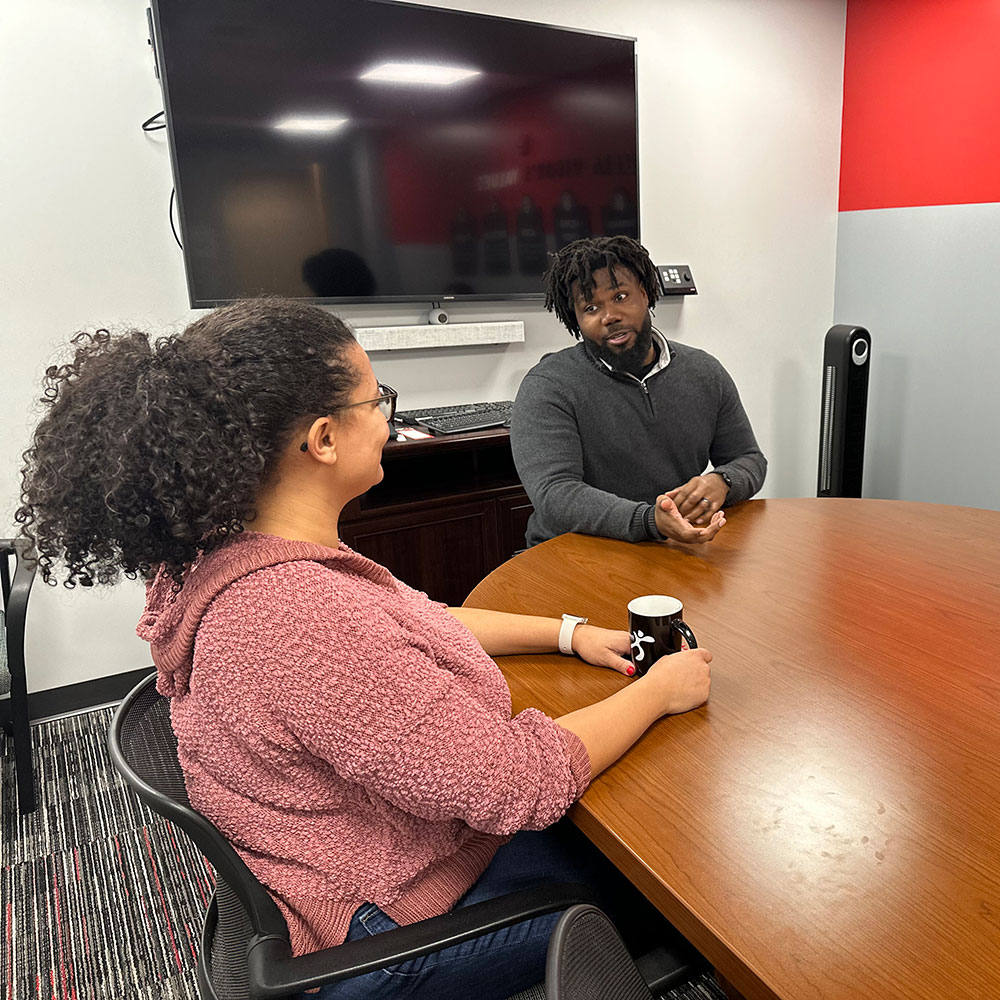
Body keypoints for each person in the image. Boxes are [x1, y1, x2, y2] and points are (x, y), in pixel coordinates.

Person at [15, 298, 712, 1000]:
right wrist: (659, 690)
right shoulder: (293, 614)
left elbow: (415, 621)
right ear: (322, 438)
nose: (386, 417)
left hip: (338, 859)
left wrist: (568, 634)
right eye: (376, 399)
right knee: (681, 870)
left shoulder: (235, 551)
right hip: (393, 927)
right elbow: (516, 784)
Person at [510, 236, 767, 548]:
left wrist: (722, 482)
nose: (610, 316)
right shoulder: (548, 386)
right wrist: (649, 521)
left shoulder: (704, 371)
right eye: (591, 307)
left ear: (645, 293)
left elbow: (748, 458)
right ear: (575, 320)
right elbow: (555, 493)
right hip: (572, 554)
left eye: (620, 296)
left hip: (673, 551)